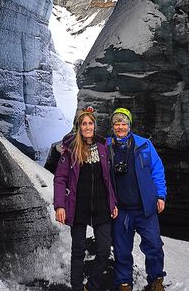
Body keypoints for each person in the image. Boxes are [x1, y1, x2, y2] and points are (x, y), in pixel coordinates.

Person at [54, 106, 118, 291]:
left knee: (105, 250)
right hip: (78, 207)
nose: (88, 127)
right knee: (78, 251)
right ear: (79, 127)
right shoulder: (71, 149)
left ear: (94, 126)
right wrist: (60, 205)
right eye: (84, 124)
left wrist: (112, 202)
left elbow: (108, 179)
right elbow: (60, 178)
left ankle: (91, 285)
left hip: (101, 207)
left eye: (90, 123)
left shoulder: (103, 147)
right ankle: (76, 287)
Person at [107, 107, 166, 291]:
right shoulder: (105, 147)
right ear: (112, 126)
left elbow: (157, 171)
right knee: (122, 250)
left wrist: (161, 195)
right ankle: (124, 284)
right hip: (121, 210)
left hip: (145, 208)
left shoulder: (145, 145)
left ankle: (156, 281)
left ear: (129, 125)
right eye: (117, 123)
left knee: (154, 245)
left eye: (124, 123)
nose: (120, 127)